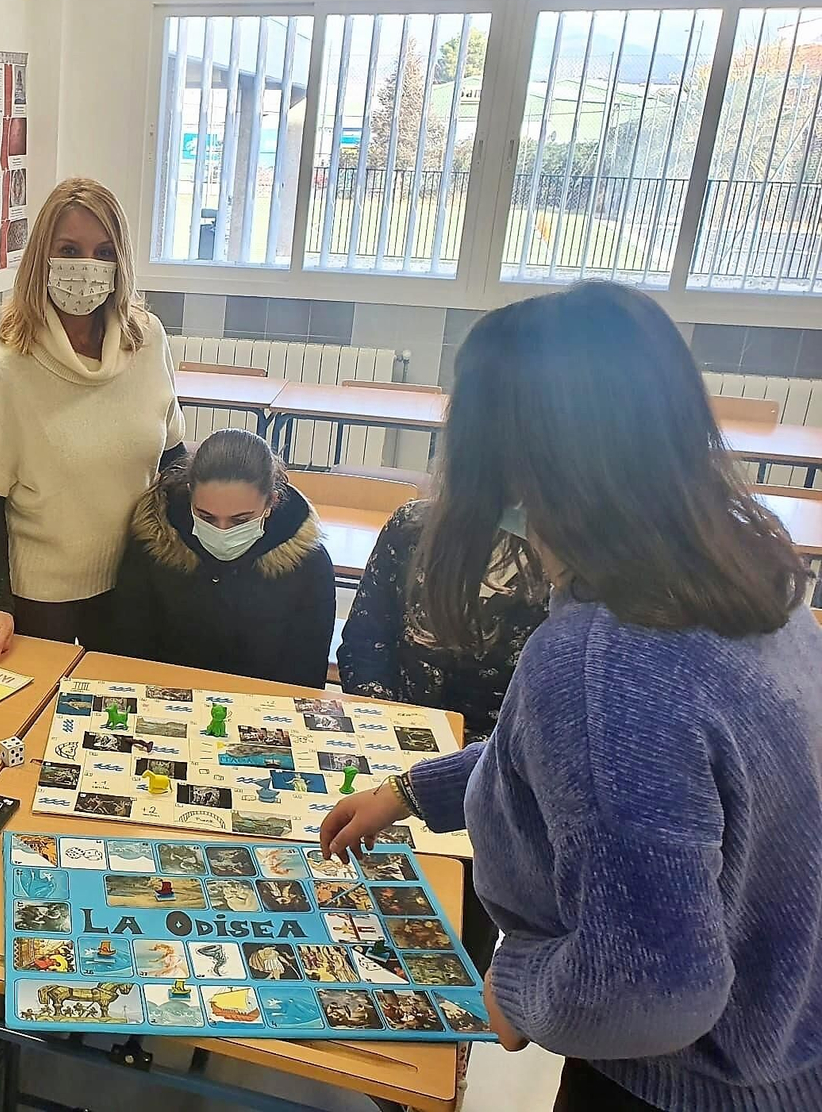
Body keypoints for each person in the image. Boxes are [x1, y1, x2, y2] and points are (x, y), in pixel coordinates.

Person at [319, 283, 822, 1112]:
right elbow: (603, 763)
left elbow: (651, 989)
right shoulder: (739, 572)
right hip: (785, 1053)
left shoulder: (605, 655)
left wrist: (518, 987)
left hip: (678, 1088)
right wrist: (410, 791)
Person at [0, 177, 185, 660]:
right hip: (40, 594)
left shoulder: (148, 341)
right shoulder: (10, 363)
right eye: (69, 250)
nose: (86, 267)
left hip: (131, 580)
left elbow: (173, 459)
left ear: (121, 261)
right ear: (42, 257)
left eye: (103, 252)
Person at [109, 429, 335, 688]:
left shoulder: (308, 563)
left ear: (271, 502)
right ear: (189, 493)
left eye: (240, 520)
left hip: (262, 702)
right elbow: (129, 653)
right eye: (206, 517)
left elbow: (305, 676)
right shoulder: (154, 545)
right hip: (165, 694)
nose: (222, 531)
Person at [339, 499, 548, 744]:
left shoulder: (563, 567)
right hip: (393, 730)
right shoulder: (410, 527)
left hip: (492, 752)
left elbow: (545, 716)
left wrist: (461, 759)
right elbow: (365, 642)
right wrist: (382, 728)